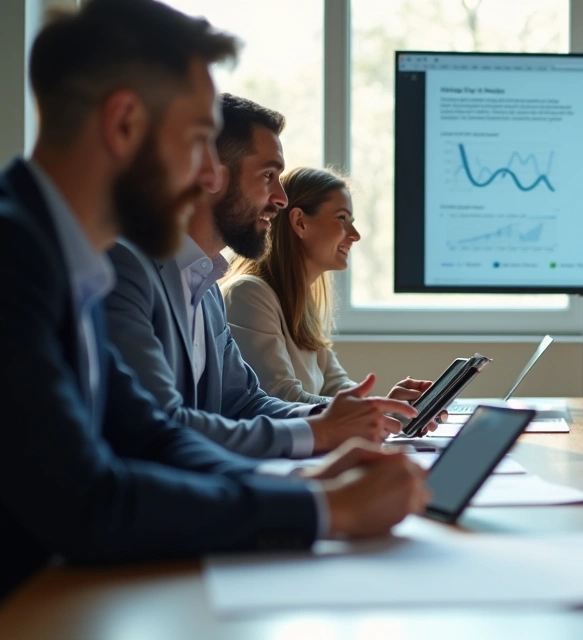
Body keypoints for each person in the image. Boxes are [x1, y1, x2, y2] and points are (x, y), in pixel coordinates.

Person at [0, 0, 427, 598]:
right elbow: (90, 500)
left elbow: (149, 434)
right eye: (200, 140)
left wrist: (307, 489)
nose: (209, 175)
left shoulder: (63, 259)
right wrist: (327, 513)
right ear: (124, 124)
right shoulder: (16, 259)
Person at [104, 94, 413, 458]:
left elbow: (245, 402)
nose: (281, 199)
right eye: (268, 176)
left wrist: (332, 419)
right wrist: (319, 433)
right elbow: (162, 422)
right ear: (209, 174)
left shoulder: (207, 290)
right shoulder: (126, 268)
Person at [222, 167, 402, 404]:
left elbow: (335, 385)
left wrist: (393, 405)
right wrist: (375, 409)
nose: (355, 235)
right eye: (342, 218)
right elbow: (282, 399)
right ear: (299, 222)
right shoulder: (248, 294)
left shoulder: (299, 299)